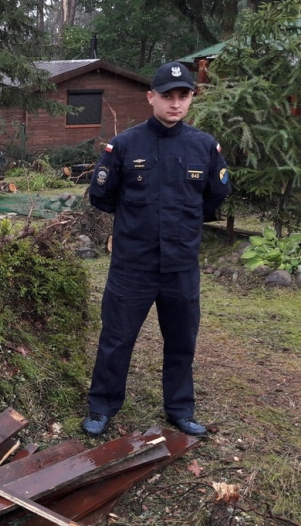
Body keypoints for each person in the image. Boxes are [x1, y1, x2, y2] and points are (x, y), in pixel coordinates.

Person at [82, 61, 231, 437]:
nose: (175, 103)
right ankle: (102, 406)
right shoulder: (125, 145)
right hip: (133, 264)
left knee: (181, 341)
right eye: (167, 96)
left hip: (181, 265)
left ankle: (180, 408)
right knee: (116, 339)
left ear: (191, 99)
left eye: (183, 95)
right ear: (151, 97)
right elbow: (102, 195)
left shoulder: (204, 146)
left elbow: (214, 197)